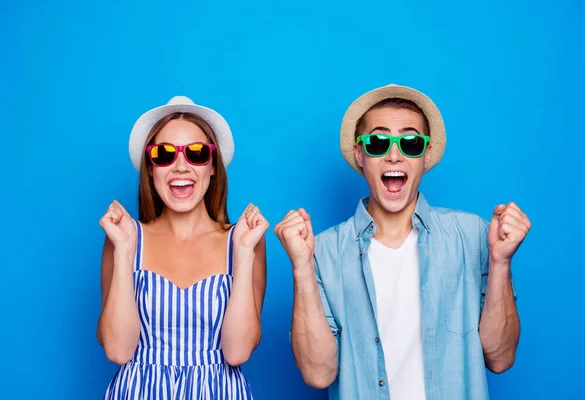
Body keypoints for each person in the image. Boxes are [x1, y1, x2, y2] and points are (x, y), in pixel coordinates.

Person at [275, 84, 531, 400]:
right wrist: (301, 266)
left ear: (424, 155)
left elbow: (501, 358)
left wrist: (501, 262)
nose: (394, 154)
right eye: (378, 142)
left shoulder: (472, 235)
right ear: (360, 154)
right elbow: (318, 373)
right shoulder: (323, 252)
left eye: (409, 142)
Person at [97, 96, 267, 399]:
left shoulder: (243, 239)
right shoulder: (124, 237)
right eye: (163, 154)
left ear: (213, 166)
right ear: (150, 168)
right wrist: (124, 251)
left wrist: (243, 255)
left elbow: (238, 352)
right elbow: (118, 350)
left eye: (196, 153)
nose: (180, 167)